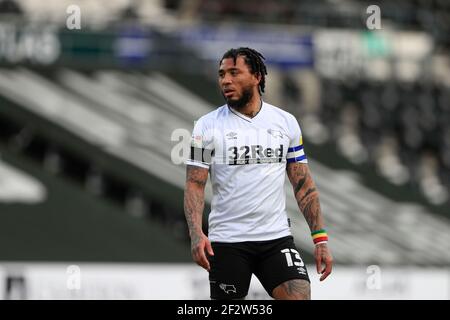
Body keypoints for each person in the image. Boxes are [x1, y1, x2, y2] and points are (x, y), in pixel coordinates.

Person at [184, 47, 333, 300]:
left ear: (257, 77)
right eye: (222, 74)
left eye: (234, 73)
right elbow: (195, 184)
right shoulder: (206, 126)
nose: (226, 80)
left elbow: (303, 184)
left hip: (275, 239)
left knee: (299, 296)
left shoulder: (285, 122)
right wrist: (197, 234)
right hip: (228, 241)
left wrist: (320, 239)